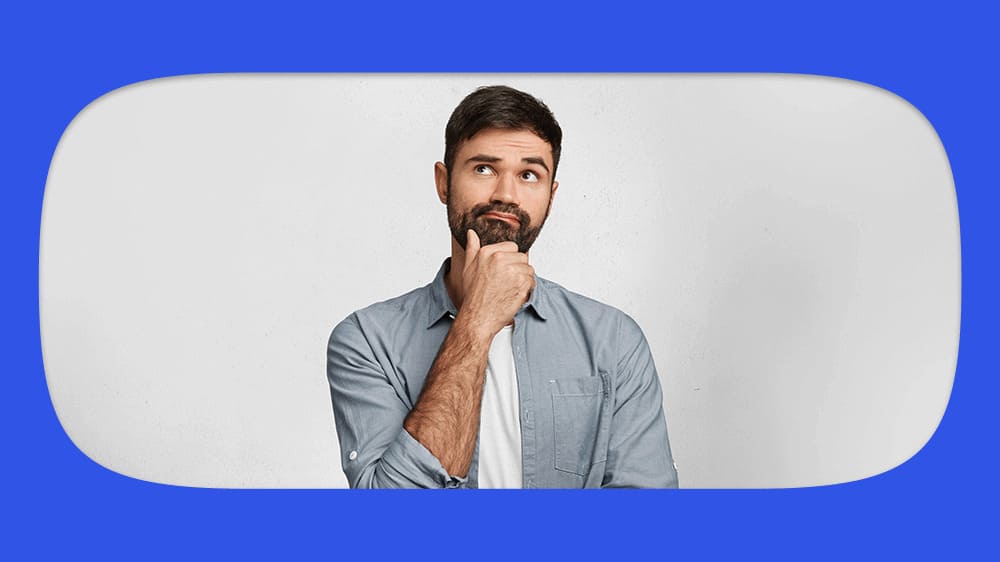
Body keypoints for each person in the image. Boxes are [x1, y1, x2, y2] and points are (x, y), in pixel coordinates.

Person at [326, 85, 678, 488]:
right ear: (443, 182)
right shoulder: (368, 341)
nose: (506, 195)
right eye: (483, 169)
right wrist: (476, 321)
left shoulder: (614, 341)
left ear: (550, 196)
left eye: (529, 175)